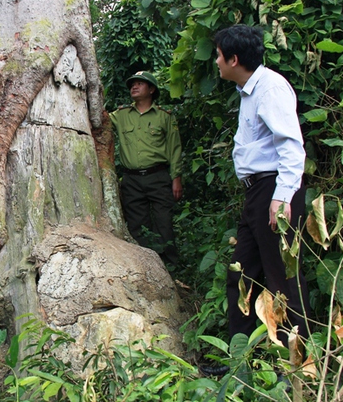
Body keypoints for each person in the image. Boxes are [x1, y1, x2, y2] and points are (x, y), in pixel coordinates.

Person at [205, 25, 310, 374]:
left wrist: (281, 197)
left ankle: (300, 362)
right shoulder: (248, 91)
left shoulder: (270, 88)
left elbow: (292, 147)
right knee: (242, 276)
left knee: (283, 278)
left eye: (219, 55)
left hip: (274, 189)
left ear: (234, 59)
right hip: (256, 192)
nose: (216, 61)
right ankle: (240, 362)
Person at [109, 71, 183, 266]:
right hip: (131, 179)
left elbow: (175, 148)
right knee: (137, 226)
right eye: (132, 84)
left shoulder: (164, 117)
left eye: (140, 84)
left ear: (151, 89)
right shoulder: (121, 115)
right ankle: (144, 266)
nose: (134, 86)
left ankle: (170, 267)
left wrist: (176, 178)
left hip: (158, 176)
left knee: (164, 223)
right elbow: (99, 122)